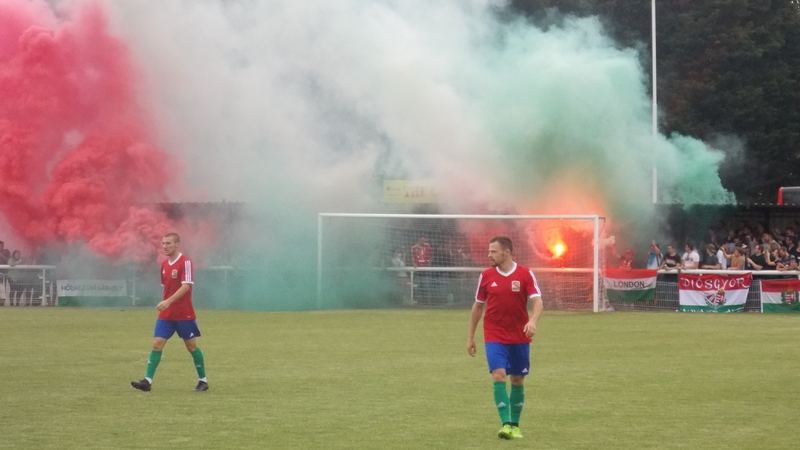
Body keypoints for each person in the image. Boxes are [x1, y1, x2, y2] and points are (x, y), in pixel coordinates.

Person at [467, 235, 544, 440]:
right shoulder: (486, 276)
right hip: (494, 335)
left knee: (517, 379)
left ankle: (516, 425)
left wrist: (533, 321)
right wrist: (471, 337)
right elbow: (477, 307)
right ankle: (506, 424)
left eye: (493, 251)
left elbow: (538, 302)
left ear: (506, 252)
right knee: (499, 375)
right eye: (489, 251)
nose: (489, 254)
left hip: (519, 335)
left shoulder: (526, 274)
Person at [131, 233, 208, 392]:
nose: (165, 246)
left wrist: (168, 301)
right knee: (157, 344)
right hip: (167, 315)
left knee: (191, 347)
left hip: (183, 313)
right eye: (163, 243)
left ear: (177, 244)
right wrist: (165, 302)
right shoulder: (164, 265)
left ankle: (203, 381)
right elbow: (167, 289)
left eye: (168, 243)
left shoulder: (185, 262)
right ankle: (147, 381)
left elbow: (186, 286)